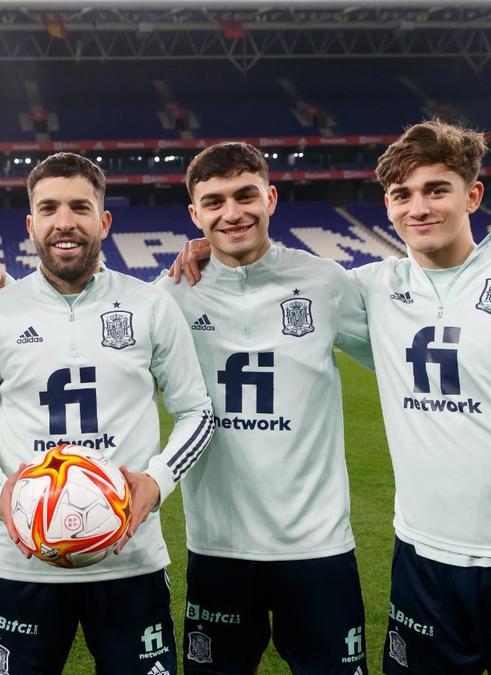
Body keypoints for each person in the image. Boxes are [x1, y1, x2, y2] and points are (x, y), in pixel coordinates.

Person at [174, 120, 491, 675]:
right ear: (388, 206)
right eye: (402, 195)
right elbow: (255, 269)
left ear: (472, 194)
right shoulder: (372, 289)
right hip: (421, 559)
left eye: (437, 190)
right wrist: (211, 249)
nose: (420, 208)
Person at [0, 152, 215, 675]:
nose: (64, 222)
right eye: (48, 209)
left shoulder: (150, 305)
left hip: (130, 558)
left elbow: (196, 412)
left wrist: (156, 482)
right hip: (25, 561)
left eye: (80, 207)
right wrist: (1, 496)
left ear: (104, 220)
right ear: (31, 224)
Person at [155, 142, 373, 674]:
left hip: (317, 547)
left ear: (270, 197)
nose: (232, 213)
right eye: (214, 202)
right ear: (194, 214)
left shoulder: (324, 282)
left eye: (245, 195)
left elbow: (399, 356)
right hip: (219, 546)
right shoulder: (170, 296)